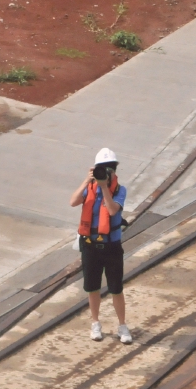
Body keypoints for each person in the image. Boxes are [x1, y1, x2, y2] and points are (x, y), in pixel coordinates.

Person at [69, 147, 132, 344]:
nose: (105, 172)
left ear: (115, 171)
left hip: (111, 247)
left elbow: (113, 211)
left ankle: (122, 325)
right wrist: (87, 181)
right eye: (102, 168)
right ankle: (95, 323)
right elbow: (73, 202)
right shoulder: (88, 188)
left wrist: (105, 187)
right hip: (90, 246)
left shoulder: (120, 190)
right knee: (92, 287)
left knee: (116, 288)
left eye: (109, 169)